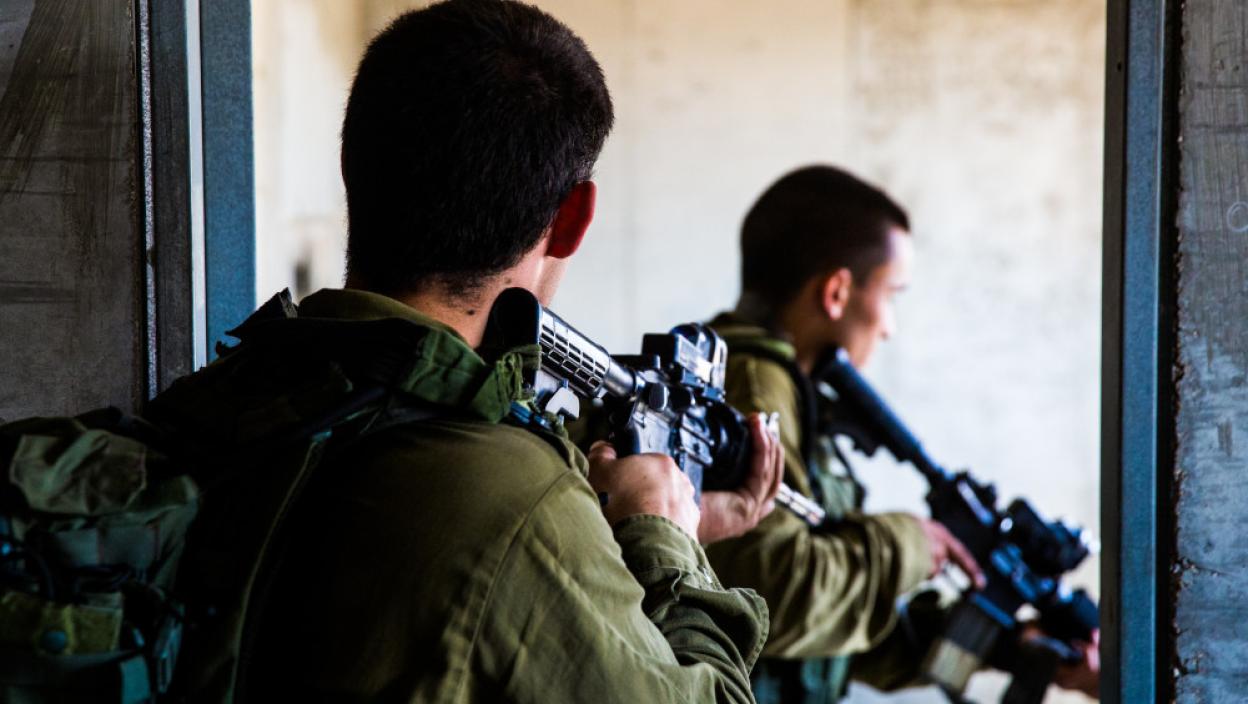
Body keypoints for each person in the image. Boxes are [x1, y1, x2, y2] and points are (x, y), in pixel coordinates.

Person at [151, 2, 783, 701]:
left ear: (352, 166)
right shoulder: (520, 502)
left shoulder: (232, 387)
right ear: (573, 219)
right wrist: (664, 538)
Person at [701, 165, 1100, 702]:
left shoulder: (788, 390)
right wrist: (909, 542)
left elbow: (829, 637)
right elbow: (771, 601)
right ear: (837, 291)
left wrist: (1008, 645)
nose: (889, 327)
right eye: (892, 295)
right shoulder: (755, 390)